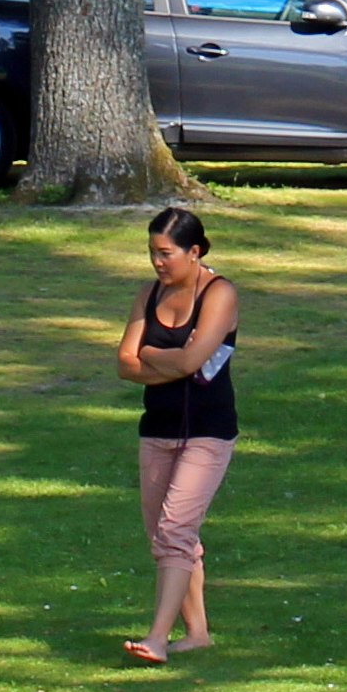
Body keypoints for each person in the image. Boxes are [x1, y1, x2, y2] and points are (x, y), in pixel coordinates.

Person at [114, 206, 240, 664]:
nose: (157, 263)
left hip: (208, 432)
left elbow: (192, 361)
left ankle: (157, 639)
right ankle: (198, 633)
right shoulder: (147, 295)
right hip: (158, 429)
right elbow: (125, 364)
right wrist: (158, 360)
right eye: (152, 253)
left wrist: (151, 357)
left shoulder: (219, 294)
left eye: (166, 253)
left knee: (175, 530)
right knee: (166, 536)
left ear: (195, 251)